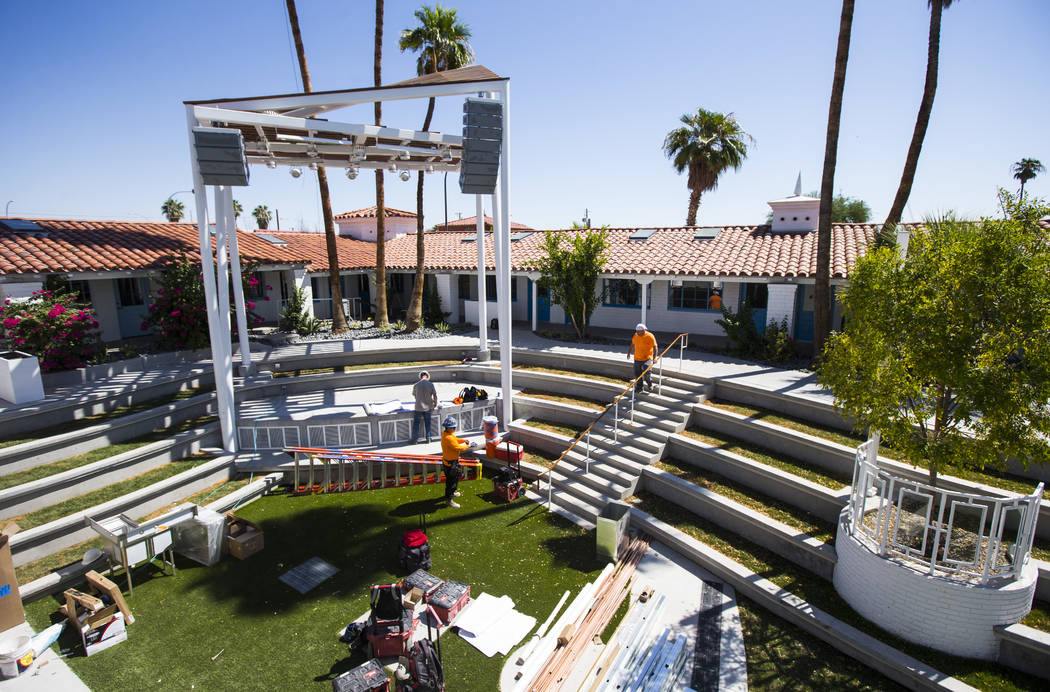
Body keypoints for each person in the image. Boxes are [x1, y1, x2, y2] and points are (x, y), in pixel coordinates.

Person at [440, 416, 476, 508]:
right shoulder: (448, 438)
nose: (455, 429)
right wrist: (468, 446)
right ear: (448, 428)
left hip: (449, 462)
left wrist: (463, 440)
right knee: (451, 482)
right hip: (450, 463)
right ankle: (449, 500)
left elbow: (455, 440)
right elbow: (457, 447)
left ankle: (452, 492)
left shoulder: (445, 434)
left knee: (454, 479)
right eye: (453, 427)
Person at [627, 323, 657, 393]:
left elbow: (655, 347)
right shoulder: (636, 335)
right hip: (637, 358)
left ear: (644, 330)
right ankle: (640, 387)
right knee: (637, 374)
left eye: (640, 331)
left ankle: (649, 383)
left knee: (646, 372)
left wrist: (654, 358)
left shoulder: (650, 336)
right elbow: (632, 344)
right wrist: (629, 353)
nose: (638, 333)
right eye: (637, 331)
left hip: (648, 358)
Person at [411, 371, 438, 443]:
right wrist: (435, 403)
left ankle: (414, 440)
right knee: (428, 423)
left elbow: (415, 396)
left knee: (416, 424)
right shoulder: (430, 384)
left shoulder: (416, 385)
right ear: (427, 376)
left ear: (420, 377)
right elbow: (435, 395)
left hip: (418, 407)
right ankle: (428, 438)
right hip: (428, 407)